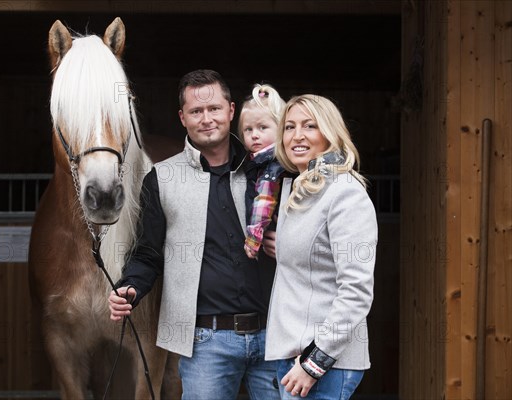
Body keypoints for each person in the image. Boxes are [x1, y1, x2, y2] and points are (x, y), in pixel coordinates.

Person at [109, 69, 280, 400]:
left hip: (276, 335)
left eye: (214, 109)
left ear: (231, 111)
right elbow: (148, 253)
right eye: (196, 111)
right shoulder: (162, 178)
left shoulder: (269, 170)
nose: (207, 119)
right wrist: (129, 286)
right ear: (182, 118)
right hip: (206, 342)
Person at [265, 94, 378, 399]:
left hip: (323, 363)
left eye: (309, 126)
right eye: (288, 127)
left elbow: (356, 289)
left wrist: (315, 362)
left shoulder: (345, 193)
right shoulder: (297, 188)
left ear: (330, 133)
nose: (297, 135)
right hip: (290, 355)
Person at [239, 83, 286, 260]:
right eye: (248, 129)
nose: (254, 135)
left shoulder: (273, 164)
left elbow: (264, 200)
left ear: (280, 128)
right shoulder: (256, 161)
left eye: (262, 127)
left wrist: (253, 237)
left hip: (269, 239)